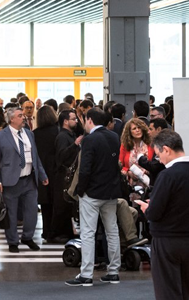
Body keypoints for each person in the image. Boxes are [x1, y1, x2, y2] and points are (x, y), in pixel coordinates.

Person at [136, 130, 189, 300]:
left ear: (166, 149)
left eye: (158, 154)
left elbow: (155, 213)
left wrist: (148, 208)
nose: (159, 160)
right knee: (185, 291)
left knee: (167, 292)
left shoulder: (168, 175)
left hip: (166, 241)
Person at [65, 109, 122, 287]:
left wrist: (80, 191)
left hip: (92, 192)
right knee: (112, 231)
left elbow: (85, 168)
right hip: (111, 191)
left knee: (88, 233)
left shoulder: (90, 139)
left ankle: (86, 274)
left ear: (89, 120)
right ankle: (113, 272)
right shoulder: (114, 137)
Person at [0, 107, 49, 253]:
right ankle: (12, 241)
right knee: (11, 213)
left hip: (29, 179)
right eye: (20, 116)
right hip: (10, 181)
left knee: (31, 211)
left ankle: (27, 237)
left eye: (23, 115)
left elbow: (35, 157)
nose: (23, 118)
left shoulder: (29, 134)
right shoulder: (0, 136)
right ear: (11, 119)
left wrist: (42, 175)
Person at [53, 110, 82, 243]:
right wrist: (75, 144)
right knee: (62, 204)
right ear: (65, 121)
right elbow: (61, 156)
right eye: (73, 119)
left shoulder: (71, 134)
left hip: (69, 175)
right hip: (63, 175)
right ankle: (59, 233)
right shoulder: (62, 137)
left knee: (67, 205)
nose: (75, 121)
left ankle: (67, 232)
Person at [32, 106, 58, 243]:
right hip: (56, 171)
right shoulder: (58, 131)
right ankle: (54, 231)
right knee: (56, 203)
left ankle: (46, 231)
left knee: (45, 203)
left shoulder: (35, 134)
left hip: (41, 171)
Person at [119, 118, 155, 199]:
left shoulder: (150, 145)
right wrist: (129, 172)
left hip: (147, 183)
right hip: (130, 184)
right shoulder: (125, 146)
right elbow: (120, 164)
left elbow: (154, 164)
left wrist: (146, 171)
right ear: (129, 132)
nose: (137, 130)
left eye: (139, 128)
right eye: (134, 128)